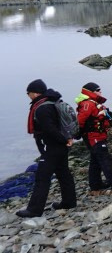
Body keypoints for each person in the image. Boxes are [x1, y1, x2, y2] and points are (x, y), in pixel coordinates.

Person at [16, 80, 77, 218]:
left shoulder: (42, 108)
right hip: (60, 146)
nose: (28, 96)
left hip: (53, 146)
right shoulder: (52, 102)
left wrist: (64, 140)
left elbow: (50, 129)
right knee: (63, 173)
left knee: (42, 177)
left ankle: (34, 210)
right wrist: (67, 139)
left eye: (29, 93)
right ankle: (69, 202)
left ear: (36, 92)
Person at [75, 82, 112, 194]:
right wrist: (79, 132)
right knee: (104, 157)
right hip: (93, 136)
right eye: (98, 90)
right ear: (91, 91)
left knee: (95, 160)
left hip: (98, 135)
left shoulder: (93, 103)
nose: (100, 91)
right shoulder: (88, 104)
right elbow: (80, 120)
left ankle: (95, 185)